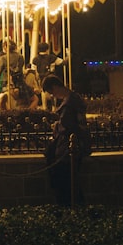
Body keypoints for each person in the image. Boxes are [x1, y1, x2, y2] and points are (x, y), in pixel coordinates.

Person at [42, 75, 91, 206]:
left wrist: (57, 127)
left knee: (65, 182)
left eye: (52, 92)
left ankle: (68, 208)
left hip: (67, 150)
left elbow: (67, 126)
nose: (53, 95)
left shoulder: (69, 104)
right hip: (72, 148)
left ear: (55, 87)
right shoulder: (74, 100)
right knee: (71, 182)